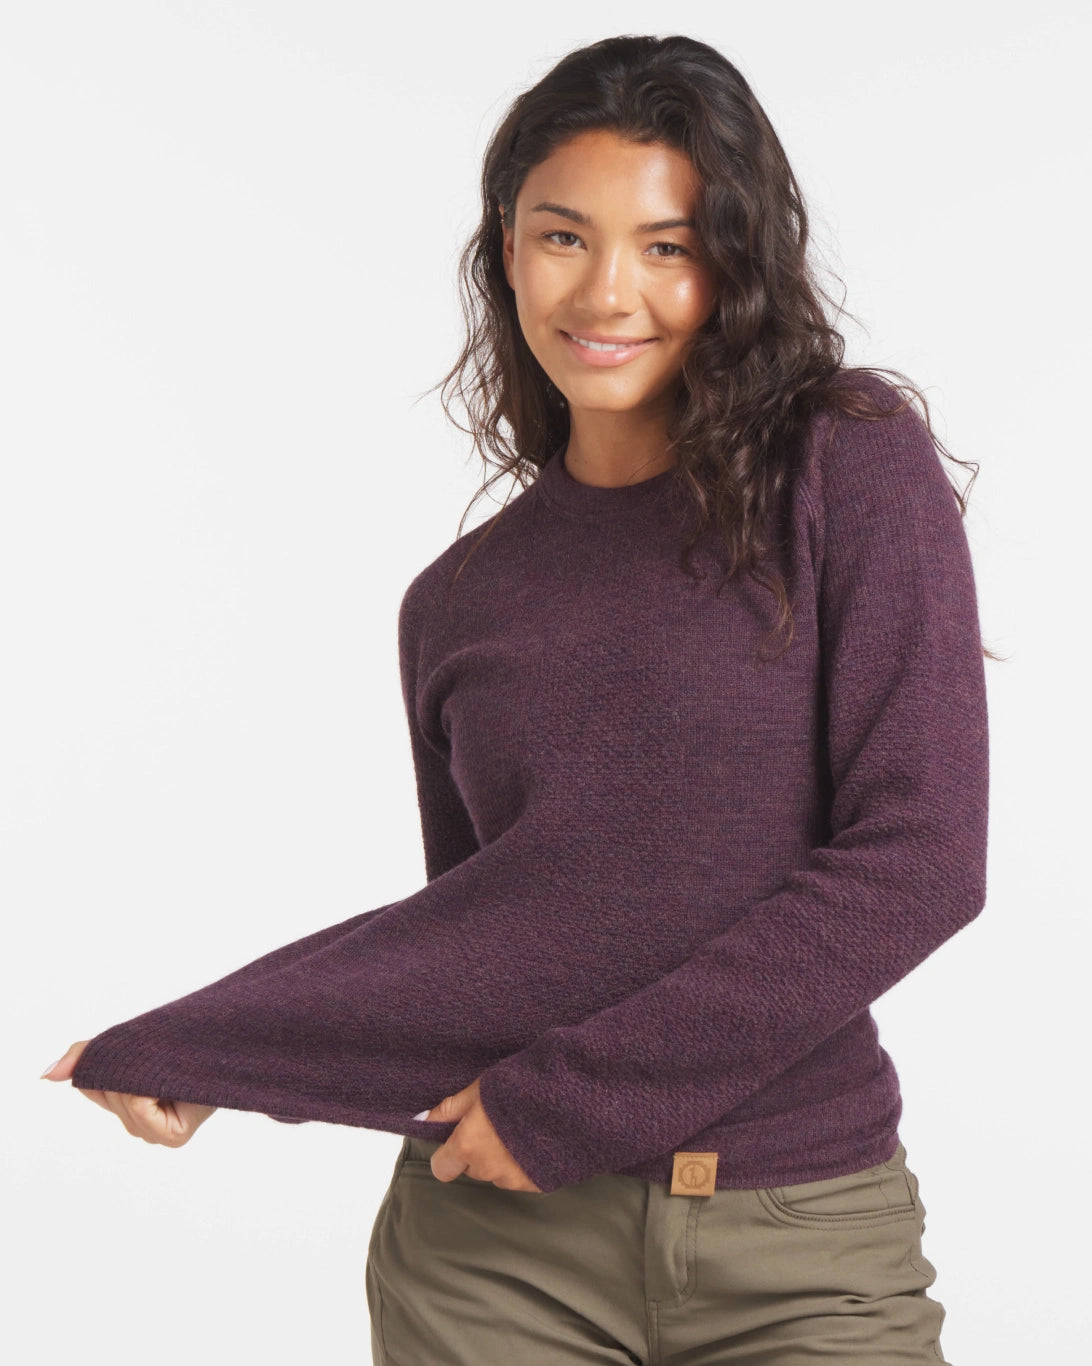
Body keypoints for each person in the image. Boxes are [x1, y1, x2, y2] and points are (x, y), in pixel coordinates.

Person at [44, 33, 992, 1365]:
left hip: (801, 1239)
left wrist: (571, 1103)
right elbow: (502, 940)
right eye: (563, 237)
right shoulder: (457, 602)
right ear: (506, 249)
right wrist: (220, 1047)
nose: (608, 291)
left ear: (737, 263)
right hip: (491, 1258)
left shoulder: (847, 462)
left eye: (668, 246)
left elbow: (919, 861)